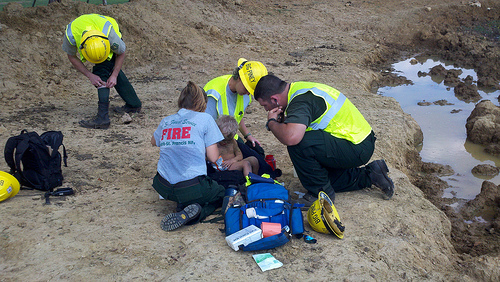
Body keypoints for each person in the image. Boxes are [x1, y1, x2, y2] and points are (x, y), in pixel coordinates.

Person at [253, 74, 394, 205]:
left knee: (300, 144)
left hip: (355, 145)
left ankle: (321, 193)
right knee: (322, 177)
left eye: (265, 106)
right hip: (358, 141)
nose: (266, 110)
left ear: (274, 100)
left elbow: (291, 137)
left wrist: (272, 122)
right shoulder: (298, 89)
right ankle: (371, 175)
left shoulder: (300, 102)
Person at [151, 81, 225, 231]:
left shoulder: (167, 121)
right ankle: (195, 212)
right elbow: (213, 157)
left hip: (162, 186)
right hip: (191, 186)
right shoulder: (206, 119)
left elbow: (154, 141)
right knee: (221, 193)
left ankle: (183, 204)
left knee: (187, 191)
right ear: (202, 103)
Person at [62, 14, 142, 129]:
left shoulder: (110, 34)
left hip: (109, 30)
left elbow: (121, 52)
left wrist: (114, 75)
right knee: (107, 67)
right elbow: (72, 56)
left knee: (103, 69)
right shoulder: (71, 35)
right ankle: (134, 104)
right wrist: (90, 75)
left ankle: (103, 118)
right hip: (90, 33)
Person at [203, 58, 268, 147]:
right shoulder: (214, 94)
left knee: (257, 152)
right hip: (215, 141)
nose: (248, 93)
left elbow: (237, 116)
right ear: (239, 78)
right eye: (247, 88)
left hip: (230, 138)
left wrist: (247, 135)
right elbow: (205, 128)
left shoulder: (244, 94)